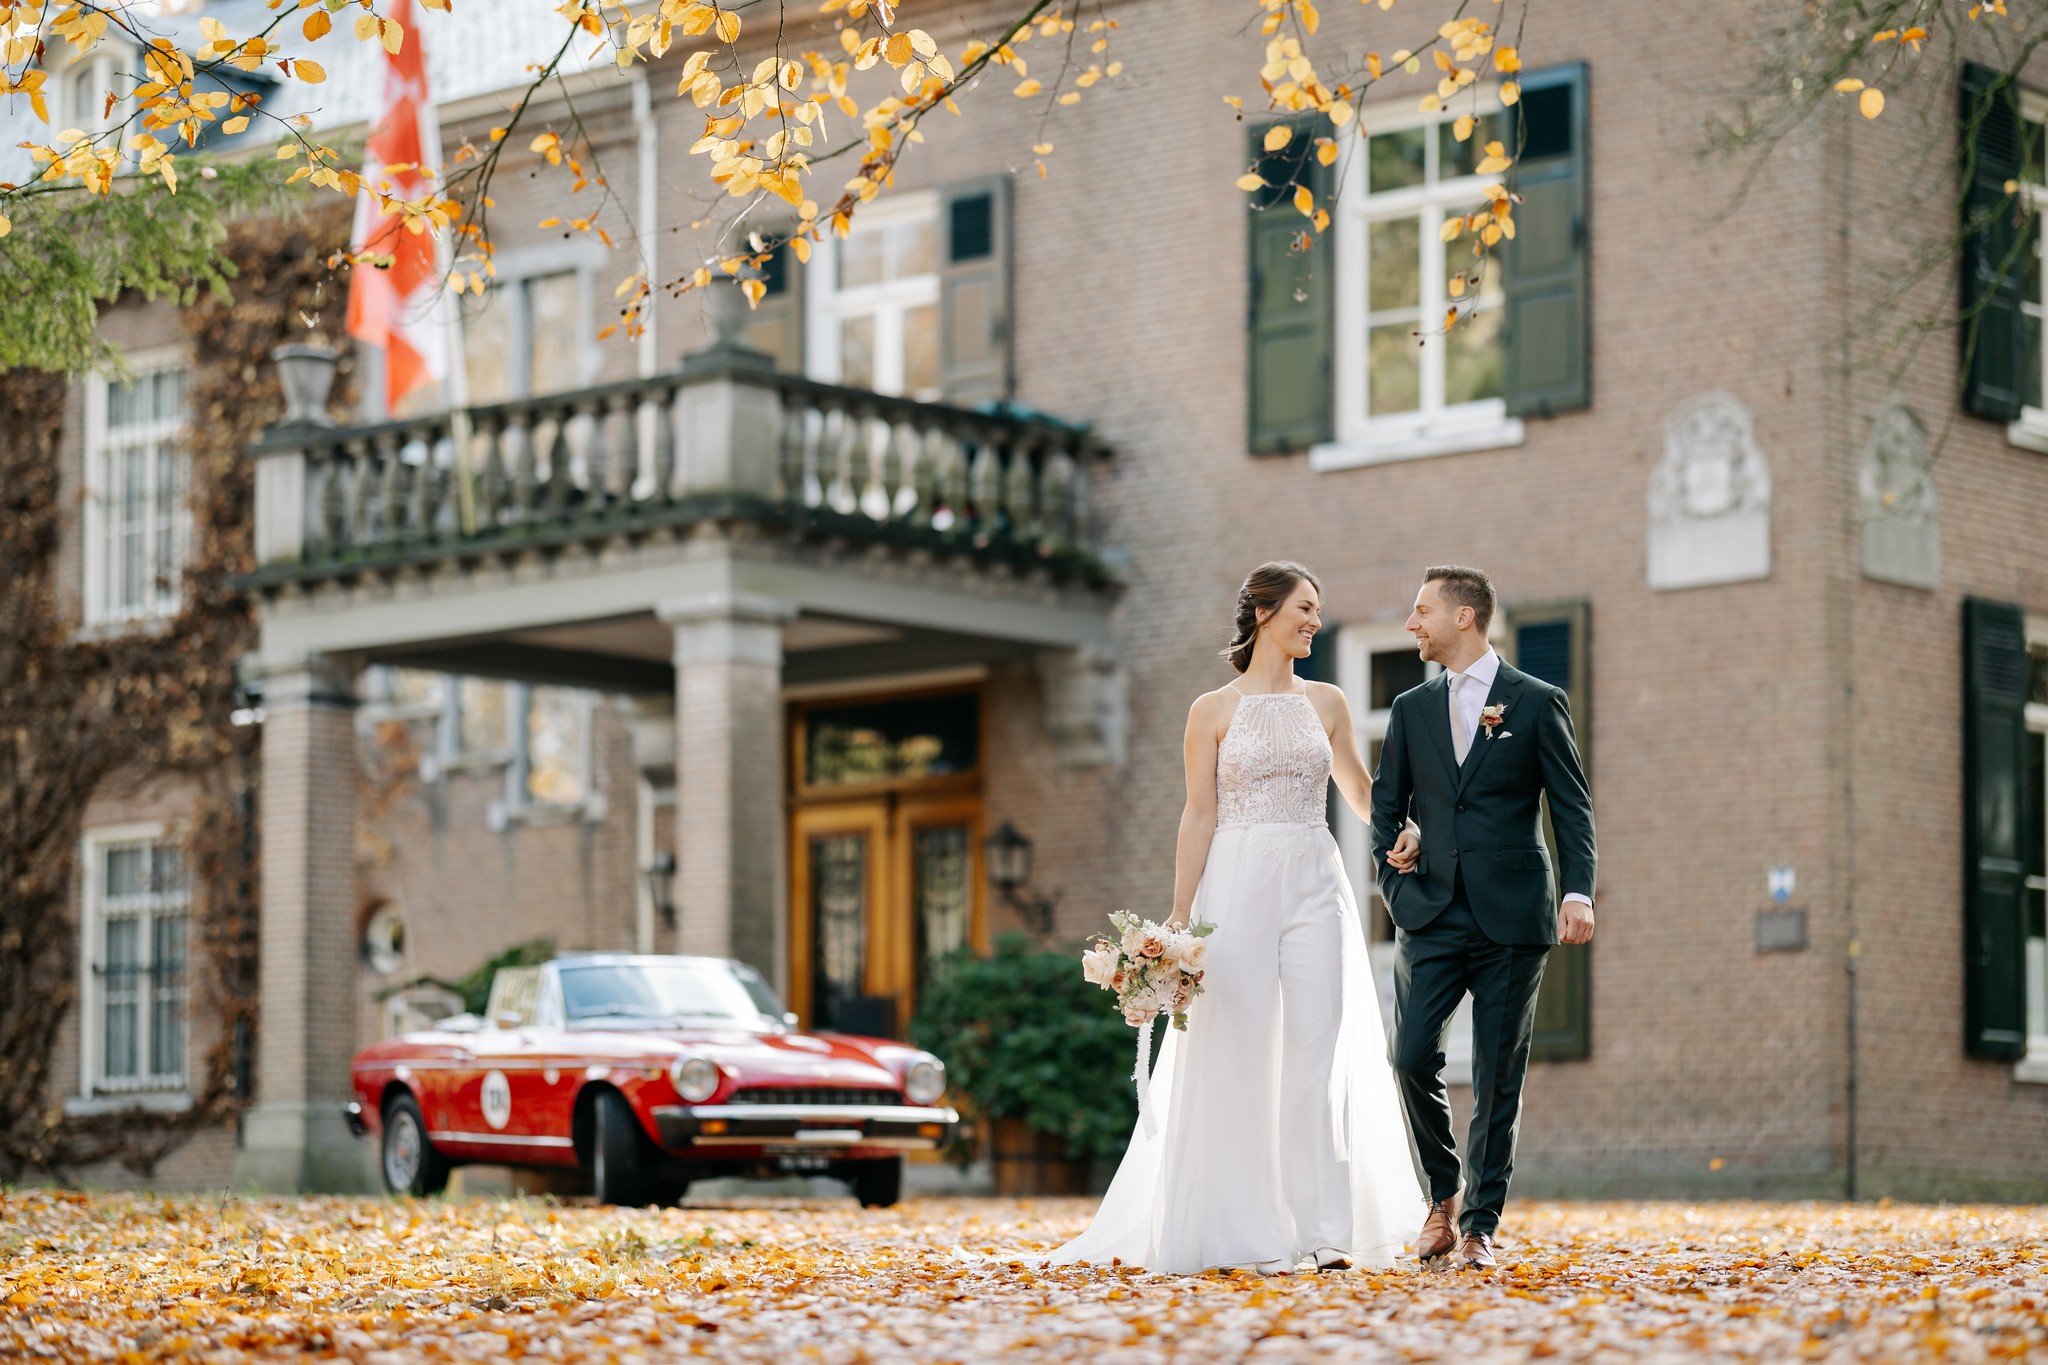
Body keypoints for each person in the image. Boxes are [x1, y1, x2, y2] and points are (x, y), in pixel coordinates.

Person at [1047, 561, 1423, 1274]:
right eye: (1305, 607)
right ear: (1262, 611)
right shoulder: (1211, 710)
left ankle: (1326, 1232)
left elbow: (1357, 787)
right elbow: (1199, 812)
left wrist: (1397, 827)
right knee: (1241, 1052)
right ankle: (1249, 1232)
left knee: (1318, 1052)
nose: (1315, 620)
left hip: (1316, 881)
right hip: (1238, 885)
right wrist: (1181, 915)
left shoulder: (1330, 702)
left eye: (1318, 608)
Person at [1370, 564, 1597, 1270]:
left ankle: (1477, 1225)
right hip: (1430, 912)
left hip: (1512, 916)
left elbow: (1571, 805)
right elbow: (1385, 812)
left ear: (1463, 617)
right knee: (1408, 1056)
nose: (1412, 623)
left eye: (1421, 610)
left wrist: (1578, 890)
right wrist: (1397, 866)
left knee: (1500, 1074)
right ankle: (1442, 1191)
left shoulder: (1536, 701)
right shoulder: (1409, 709)